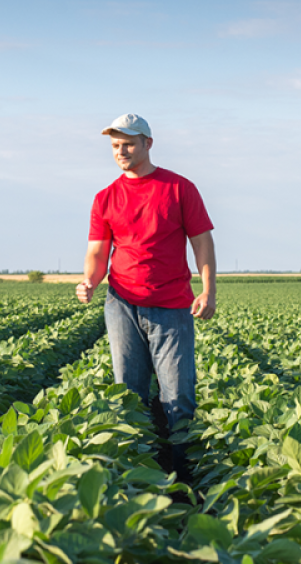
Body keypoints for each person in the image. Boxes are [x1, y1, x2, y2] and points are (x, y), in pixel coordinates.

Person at [76, 113, 216, 481]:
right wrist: (89, 281)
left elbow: (201, 241)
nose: (121, 151)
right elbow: (97, 251)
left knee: (179, 395)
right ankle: (138, 473)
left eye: (128, 144)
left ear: (147, 144)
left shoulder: (179, 188)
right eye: (115, 146)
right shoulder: (105, 197)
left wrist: (208, 290)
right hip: (121, 302)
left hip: (171, 304)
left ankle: (187, 478)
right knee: (129, 394)